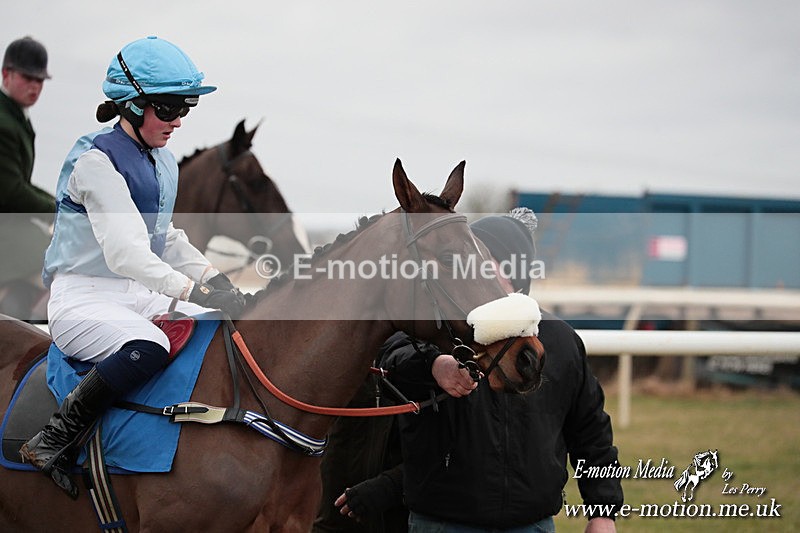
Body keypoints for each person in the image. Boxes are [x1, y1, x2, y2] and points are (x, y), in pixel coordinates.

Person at [19, 36, 246, 496]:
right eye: (167, 109)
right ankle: (53, 438)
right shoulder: (95, 162)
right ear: (131, 104)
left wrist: (213, 279)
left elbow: (167, 238)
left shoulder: (163, 162)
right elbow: (126, 253)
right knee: (150, 345)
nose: (178, 120)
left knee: (218, 326)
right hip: (83, 297)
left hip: (135, 292)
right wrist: (192, 290)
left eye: (184, 107)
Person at [329, 208, 623, 532]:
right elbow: (390, 358)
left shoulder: (562, 341)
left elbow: (591, 434)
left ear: (514, 271)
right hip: (441, 523)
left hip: (533, 525)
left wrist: (603, 512)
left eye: (483, 260)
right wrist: (434, 366)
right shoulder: (442, 328)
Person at [0, 36, 56, 318]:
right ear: (6, 74)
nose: (35, 86)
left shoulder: (15, 117)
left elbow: (19, 182)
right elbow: (9, 191)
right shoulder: (4, 123)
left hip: (9, 222)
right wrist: (55, 210)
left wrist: (59, 204)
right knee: (60, 264)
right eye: (28, 78)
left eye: (40, 80)